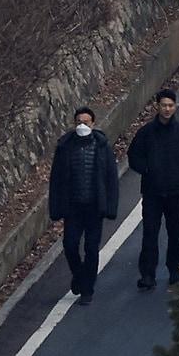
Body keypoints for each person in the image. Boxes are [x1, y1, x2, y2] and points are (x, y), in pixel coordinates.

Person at [127, 89, 179, 289]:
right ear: (157, 106)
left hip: (177, 193)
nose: (167, 109)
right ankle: (148, 274)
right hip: (152, 193)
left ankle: (175, 269)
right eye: (163, 105)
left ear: (175, 106)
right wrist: (148, 169)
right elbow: (133, 155)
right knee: (150, 232)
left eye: (170, 105)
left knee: (175, 232)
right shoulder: (146, 133)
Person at [48, 105, 120, 305]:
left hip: (94, 207)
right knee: (70, 245)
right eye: (79, 122)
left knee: (91, 248)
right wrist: (55, 208)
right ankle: (79, 275)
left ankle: (88, 288)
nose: (82, 125)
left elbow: (111, 178)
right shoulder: (65, 147)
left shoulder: (102, 146)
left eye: (85, 122)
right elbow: (56, 180)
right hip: (73, 208)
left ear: (93, 123)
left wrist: (110, 206)